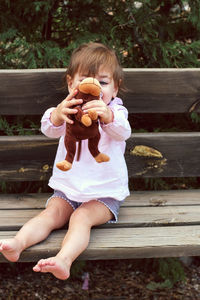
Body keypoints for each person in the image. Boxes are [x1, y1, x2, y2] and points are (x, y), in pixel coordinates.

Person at [0, 42, 131, 280]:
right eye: (86, 81)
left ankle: (63, 260)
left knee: (80, 218)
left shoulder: (117, 112)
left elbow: (123, 132)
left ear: (116, 87)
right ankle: (18, 243)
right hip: (68, 190)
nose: (96, 88)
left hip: (104, 195)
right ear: (71, 83)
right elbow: (48, 129)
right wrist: (58, 114)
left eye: (103, 82)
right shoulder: (67, 108)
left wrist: (108, 116)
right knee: (50, 214)